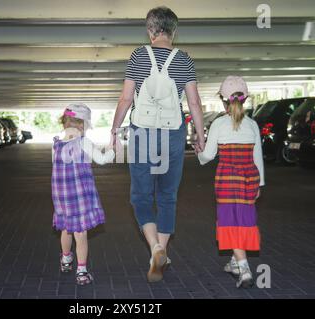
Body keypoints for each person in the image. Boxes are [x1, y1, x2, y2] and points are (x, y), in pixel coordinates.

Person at [110, 6, 205, 283]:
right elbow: (194, 103)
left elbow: (126, 99)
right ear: (174, 31)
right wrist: (200, 135)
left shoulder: (138, 56)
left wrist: (115, 129)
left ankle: (155, 247)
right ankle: (161, 249)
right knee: (167, 196)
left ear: (150, 30)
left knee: (140, 196)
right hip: (173, 133)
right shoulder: (184, 59)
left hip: (143, 133)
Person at [197, 76, 265, 289]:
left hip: (227, 177)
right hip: (249, 178)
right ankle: (235, 262)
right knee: (243, 219)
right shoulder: (253, 125)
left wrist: (199, 152)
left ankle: (244, 269)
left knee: (229, 220)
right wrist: (260, 184)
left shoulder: (218, 123)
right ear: (244, 100)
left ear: (223, 100)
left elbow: (208, 155)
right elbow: (258, 157)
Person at [52, 103, 115, 285]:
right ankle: (81, 271)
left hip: (61, 195)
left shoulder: (56, 143)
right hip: (79, 194)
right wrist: (113, 149)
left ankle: (65, 259)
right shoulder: (84, 142)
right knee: (80, 234)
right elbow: (102, 160)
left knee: (65, 228)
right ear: (82, 124)